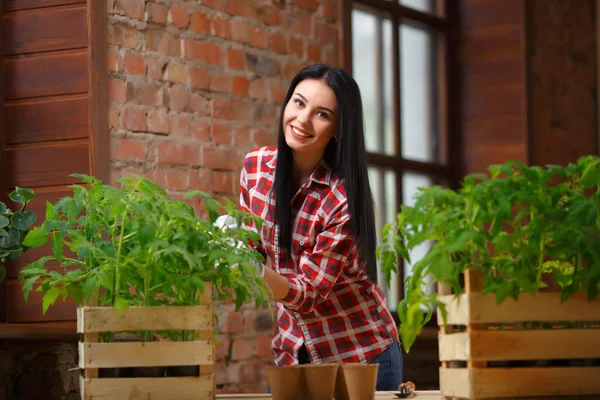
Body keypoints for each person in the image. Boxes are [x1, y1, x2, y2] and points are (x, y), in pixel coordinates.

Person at [238, 64, 403, 391]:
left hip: (360, 356)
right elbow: (250, 244)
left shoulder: (341, 198)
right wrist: (228, 245)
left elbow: (309, 293)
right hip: (292, 353)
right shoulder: (256, 167)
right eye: (298, 103)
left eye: (322, 114)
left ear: (338, 128)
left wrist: (252, 269)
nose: (302, 120)